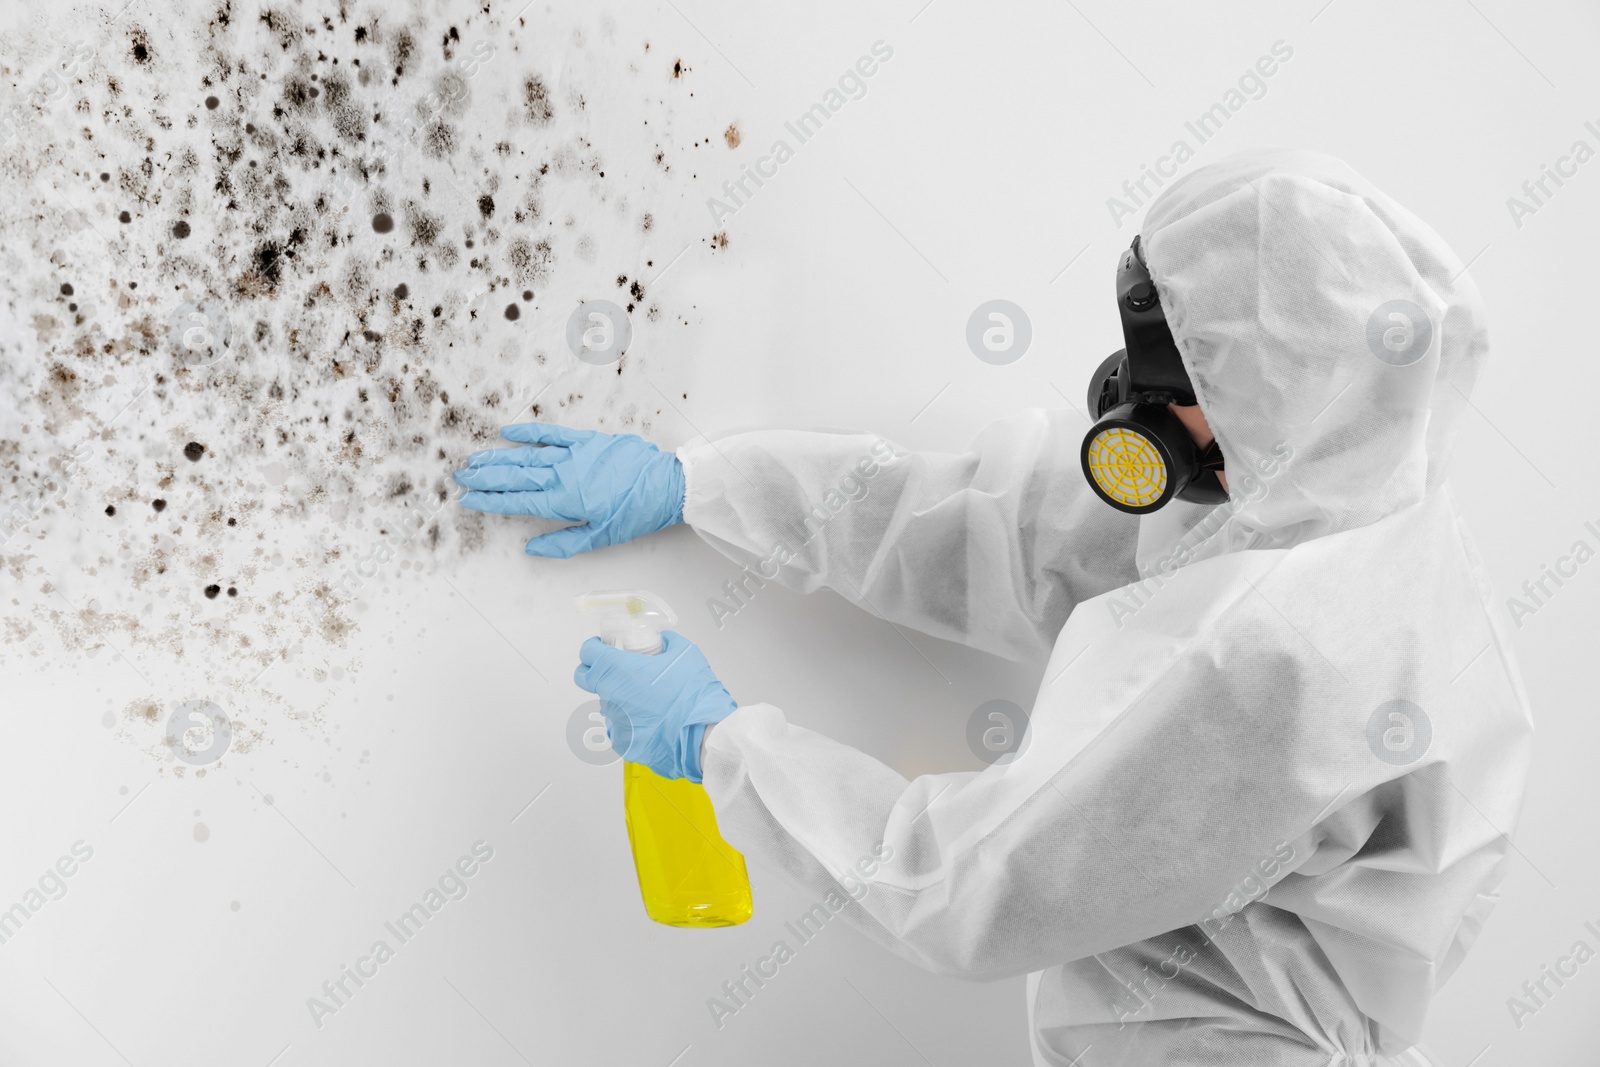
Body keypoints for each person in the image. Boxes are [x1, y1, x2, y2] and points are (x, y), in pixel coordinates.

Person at [455, 148, 1532, 1066]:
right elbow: (1004, 528)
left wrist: (718, 742)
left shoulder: (1279, 657)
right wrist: (702, 482)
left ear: (1274, 385)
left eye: (1179, 371)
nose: (1131, 394)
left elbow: (971, 884)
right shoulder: (1322, 484)